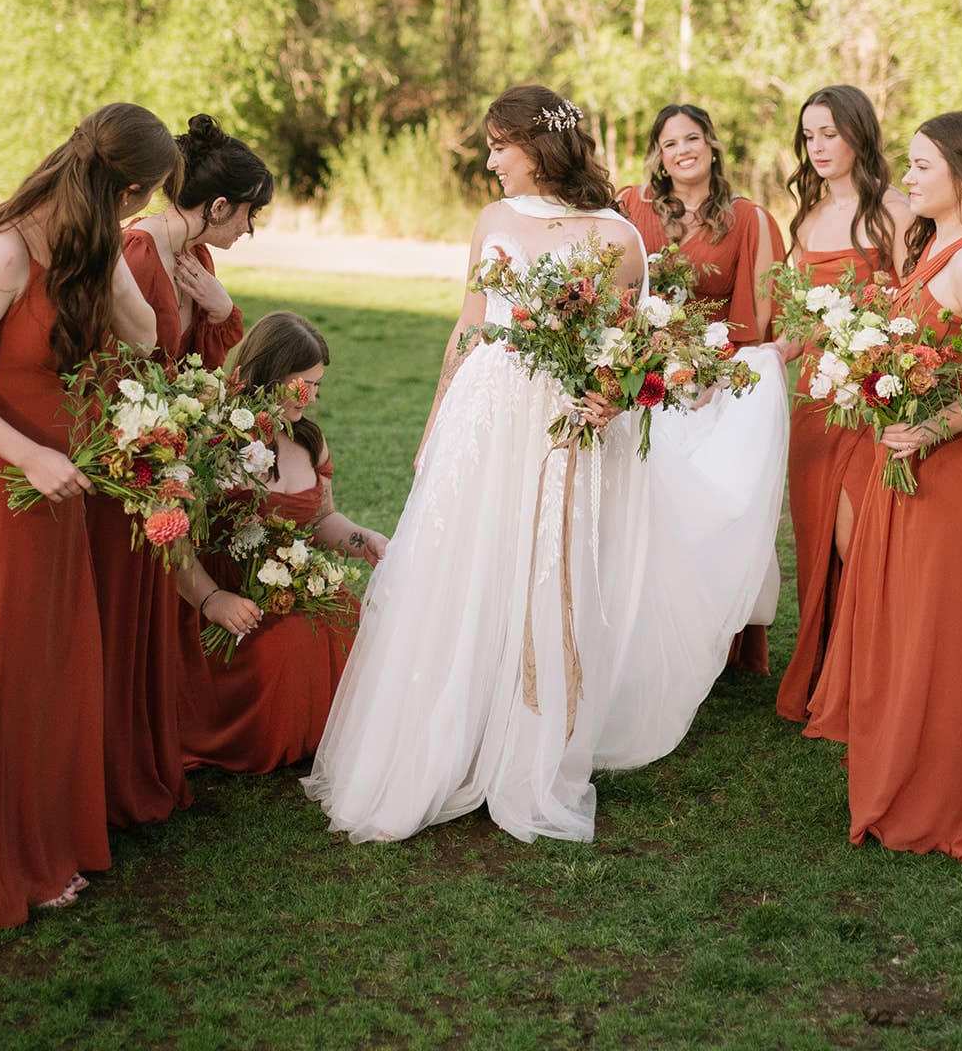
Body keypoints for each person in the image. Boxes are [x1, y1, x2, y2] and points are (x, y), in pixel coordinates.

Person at [303, 85, 788, 844]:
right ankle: (446, 739)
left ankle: (527, 751)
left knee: (548, 575)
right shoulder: (493, 220)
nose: (490, 161)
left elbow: (629, 351)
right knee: (464, 568)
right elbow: (469, 324)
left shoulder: (616, 236)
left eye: (500, 145)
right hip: (484, 417)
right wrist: (437, 418)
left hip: (566, 427)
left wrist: (611, 403)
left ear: (538, 147)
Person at [0, 104, 179, 927]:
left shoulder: (87, 245)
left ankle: (34, 838)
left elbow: (146, 338)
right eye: (142, 199)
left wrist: (112, 255)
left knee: (47, 662)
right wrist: (30, 457)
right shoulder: (2, 250)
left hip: (60, 484)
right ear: (129, 188)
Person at [805, 111, 962, 859]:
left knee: (942, 626)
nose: (907, 177)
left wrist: (929, 428)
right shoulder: (935, 246)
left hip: (959, 466)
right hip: (919, 459)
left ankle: (950, 788)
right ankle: (916, 765)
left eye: (921, 165)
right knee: (916, 622)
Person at [84, 113, 273, 827]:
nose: (251, 229)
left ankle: (140, 761)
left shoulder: (201, 262)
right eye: (251, 212)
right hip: (127, 457)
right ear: (218, 206)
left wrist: (223, 309)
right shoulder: (134, 253)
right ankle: (104, 775)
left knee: (152, 617)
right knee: (121, 615)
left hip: (171, 447)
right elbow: (111, 368)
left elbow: (198, 364)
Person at [175, 312, 387, 773]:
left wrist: (362, 538)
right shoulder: (215, 437)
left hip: (290, 579)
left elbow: (322, 518)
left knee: (348, 621)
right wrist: (212, 599)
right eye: (302, 383)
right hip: (228, 593)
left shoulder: (309, 439)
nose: (312, 396)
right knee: (288, 642)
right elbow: (175, 542)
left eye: (317, 384)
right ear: (271, 372)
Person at [617, 102, 786, 673]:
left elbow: (760, 316)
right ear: (658, 156)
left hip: (709, 386)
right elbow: (610, 291)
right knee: (641, 512)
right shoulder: (630, 207)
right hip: (641, 379)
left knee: (706, 513)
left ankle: (706, 641)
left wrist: (712, 372)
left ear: (712, 144)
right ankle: (639, 637)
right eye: (670, 143)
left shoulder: (749, 219)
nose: (683, 150)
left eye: (693, 138)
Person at [775, 86, 911, 723]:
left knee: (864, 539)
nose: (819, 146)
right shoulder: (804, 220)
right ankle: (828, 668)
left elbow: (913, 311)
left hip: (870, 399)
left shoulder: (897, 213)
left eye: (830, 132)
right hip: (815, 406)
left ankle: (879, 683)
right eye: (809, 135)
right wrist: (768, 354)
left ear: (859, 134)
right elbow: (801, 321)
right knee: (817, 538)